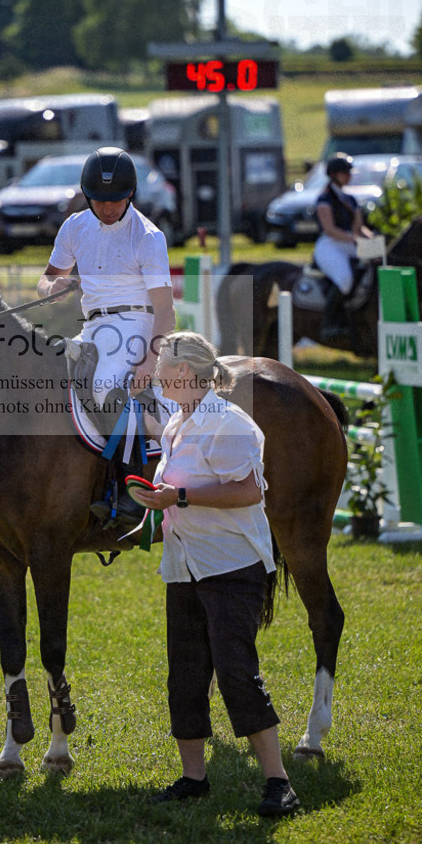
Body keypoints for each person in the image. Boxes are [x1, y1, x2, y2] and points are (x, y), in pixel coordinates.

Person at [138, 331, 300, 817]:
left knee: (235, 673)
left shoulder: (228, 424)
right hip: (186, 565)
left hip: (232, 565)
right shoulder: (178, 421)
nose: (157, 378)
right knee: (185, 674)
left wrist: (179, 499)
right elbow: (174, 476)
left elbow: (250, 493)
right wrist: (157, 508)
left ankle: (279, 782)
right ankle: (194, 779)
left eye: (162, 370)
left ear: (184, 373)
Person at [37, 146, 176, 524]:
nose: (108, 207)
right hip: (93, 326)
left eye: (116, 200)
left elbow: (165, 309)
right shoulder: (75, 227)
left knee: (104, 385)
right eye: (99, 200)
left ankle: (130, 489)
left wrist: (150, 358)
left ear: (130, 194)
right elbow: (49, 276)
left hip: (137, 325)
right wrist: (52, 288)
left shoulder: (147, 236)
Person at [313, 153, 373, 343]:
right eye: (343, 172)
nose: (348, 175)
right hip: (330, 245)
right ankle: (328, 324)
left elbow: (359, 228)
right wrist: (353, 238)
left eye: (348, 172)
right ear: (333, 175)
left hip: (349, 244)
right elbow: (329, 229)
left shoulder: (351, 200)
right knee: (345, 279)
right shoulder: (324, 199)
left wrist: (373, 240)